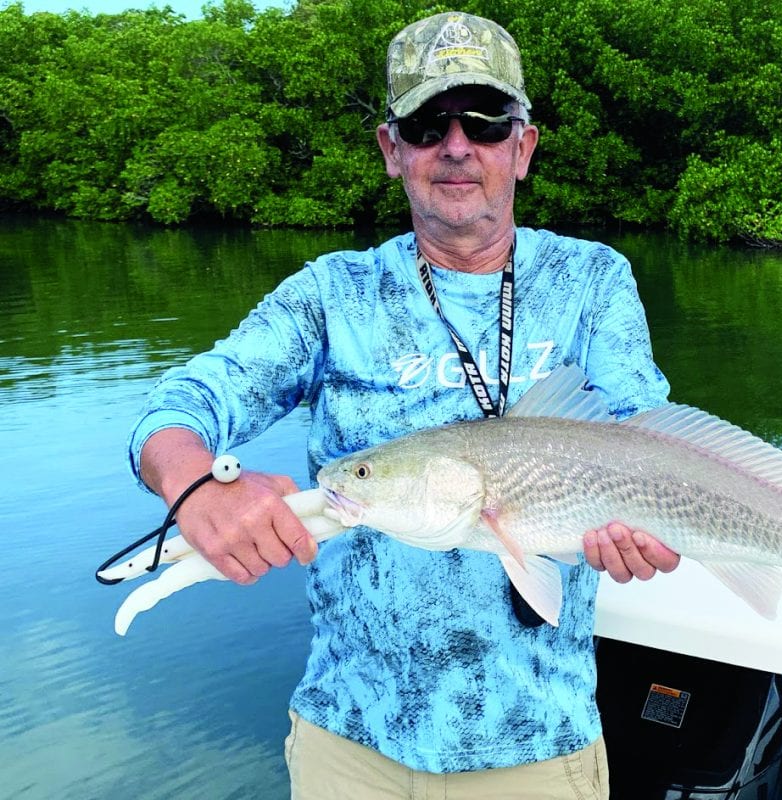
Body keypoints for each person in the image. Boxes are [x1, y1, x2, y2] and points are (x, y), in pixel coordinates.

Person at [128, 11, 679, 799]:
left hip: (539, 740)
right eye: (428, 123)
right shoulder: (330, 294)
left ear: (522, 149)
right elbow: (183, 403)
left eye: (487, 123)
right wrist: (192, 483)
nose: (458, 146)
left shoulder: (591, 281)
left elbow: (645, 438)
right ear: (393, 150)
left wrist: (644, 530)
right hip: (348, 738)